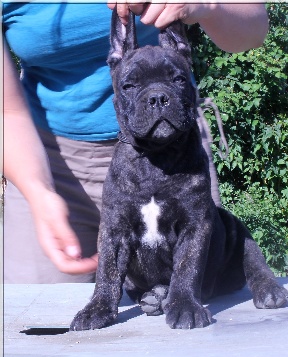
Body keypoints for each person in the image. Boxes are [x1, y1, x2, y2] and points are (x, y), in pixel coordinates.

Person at [2, 2, 269, 283]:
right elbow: (5, 111)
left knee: (188, 309)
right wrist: (38, 192)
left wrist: (207, 4)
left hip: (178, 154)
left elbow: (253, 30)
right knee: (41, 316)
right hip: (45, 161)